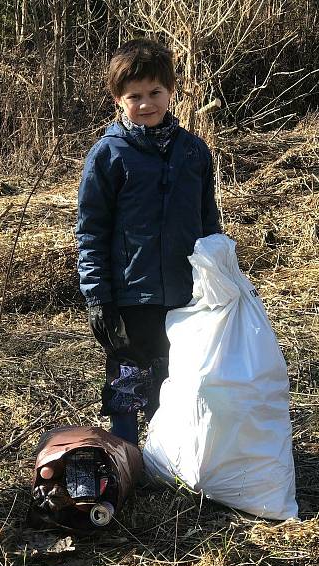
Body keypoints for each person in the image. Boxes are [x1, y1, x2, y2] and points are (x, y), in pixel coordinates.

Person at [76, 38, 222, 445]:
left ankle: (167, 452)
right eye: (134, 96)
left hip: (184, 292)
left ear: (172, 92)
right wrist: (97, 298)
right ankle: (126, 450)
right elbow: (91, 231)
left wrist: (218, 279)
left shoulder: (193, 152)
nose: (146, 104)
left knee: (175, 373)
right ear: (118, 100)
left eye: (155, 92)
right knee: (128, 374)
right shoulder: (109, 155)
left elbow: (208, 222)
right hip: (129, 294)